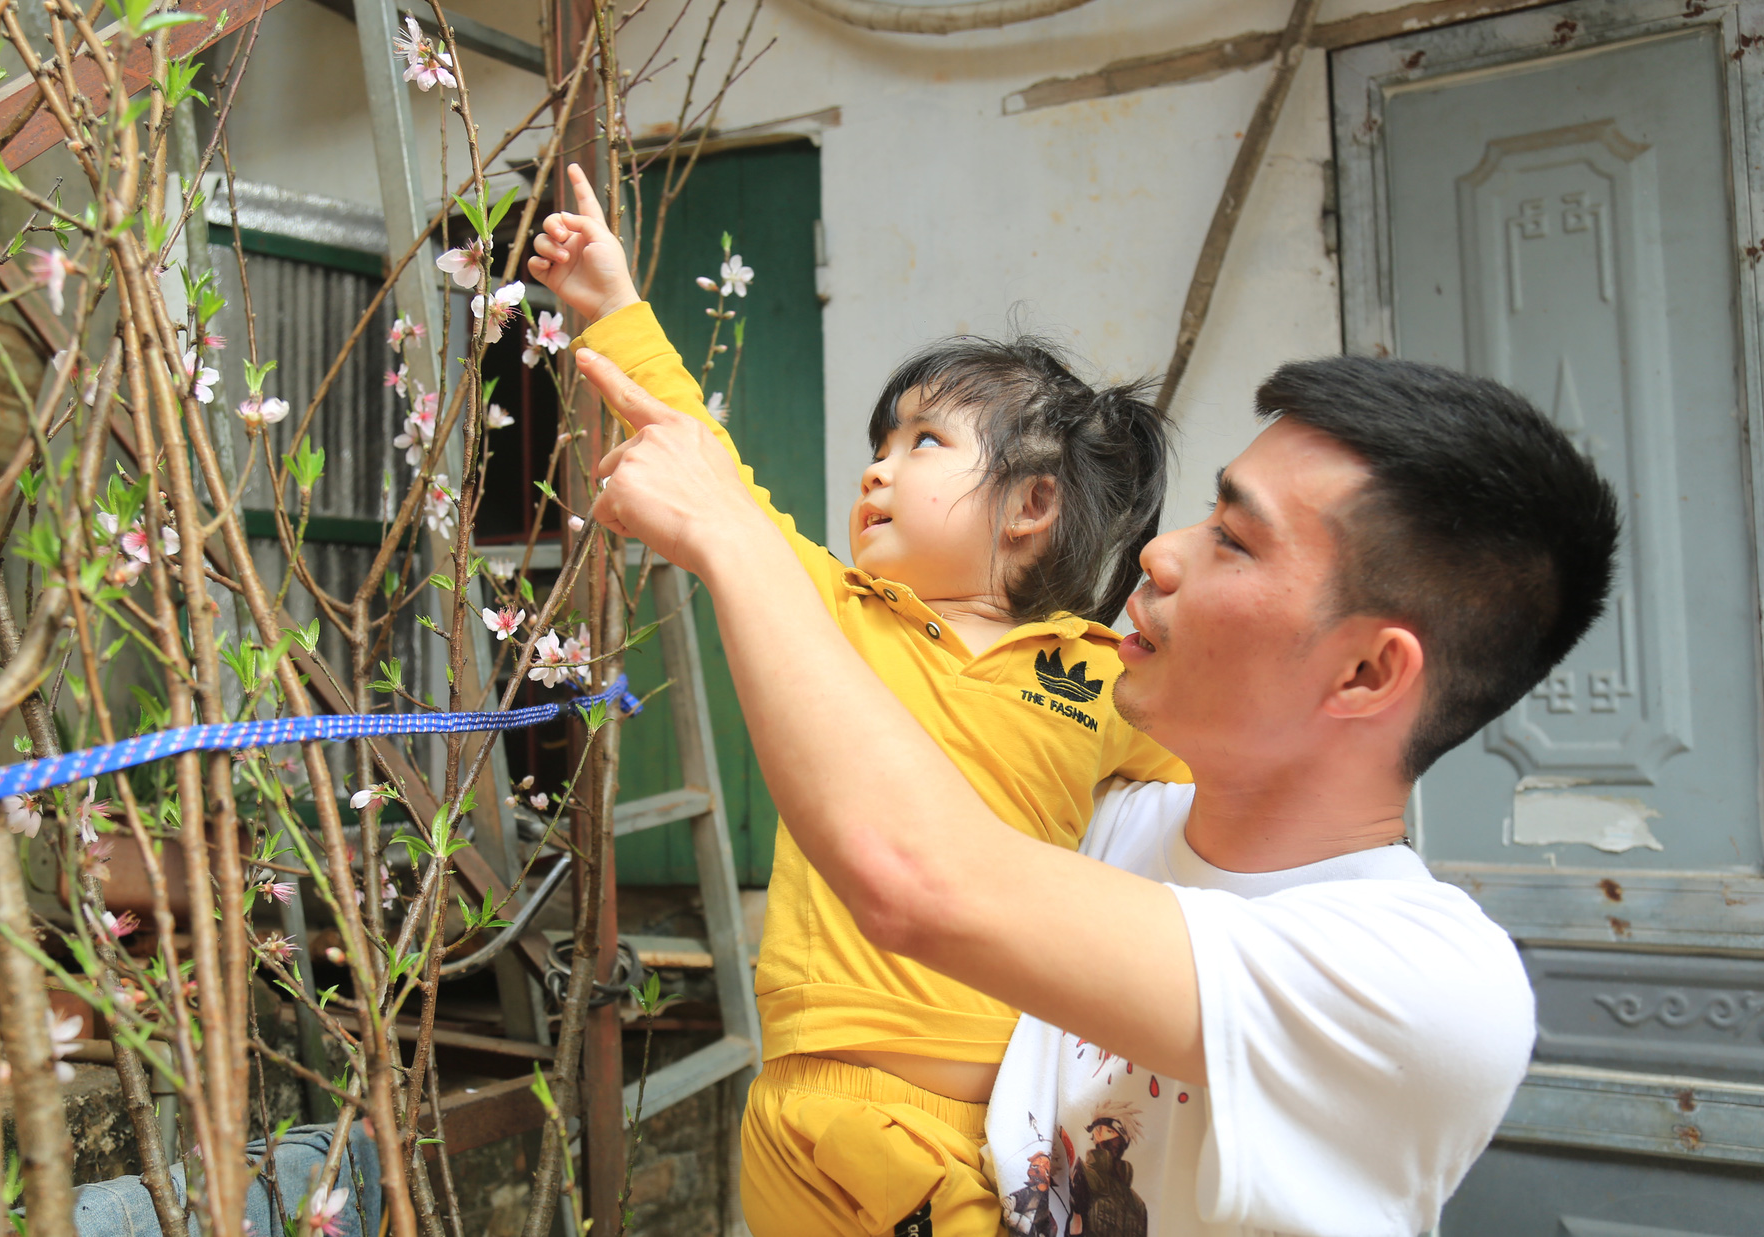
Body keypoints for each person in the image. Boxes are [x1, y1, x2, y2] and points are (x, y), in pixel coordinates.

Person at [572, 337, 1618, 1236]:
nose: (1158, 554)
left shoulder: (1426, 984)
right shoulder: (1103, 824)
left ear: (1363, 672)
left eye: (1233, 539)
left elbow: (915, 873)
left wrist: (728, 534)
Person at [529, 165, 1188, 1234]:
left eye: (922, 442)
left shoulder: (1103, 672)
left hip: (961, 1122)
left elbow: (1227, 805)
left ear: (1031, 504)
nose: (875, 472)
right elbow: (715, 481)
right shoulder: (838, 608)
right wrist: (612, 308)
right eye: (875, 447)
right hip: (791, 1107)